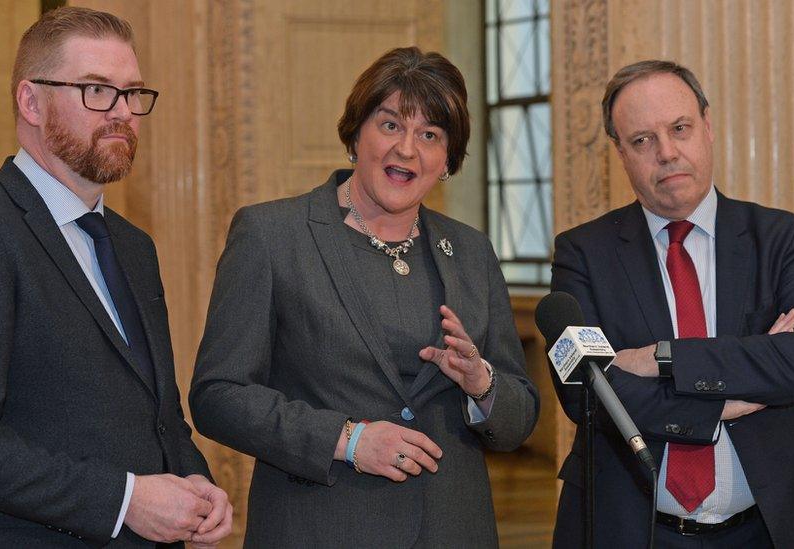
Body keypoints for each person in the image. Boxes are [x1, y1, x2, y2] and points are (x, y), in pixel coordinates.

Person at [0, 7, 232, 547]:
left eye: (133, 93)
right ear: (31, 101)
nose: (123, 111)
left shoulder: (133, 246)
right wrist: (124, 500)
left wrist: (193, 477)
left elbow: (156, 412)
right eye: (97, 90)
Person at [189, 46, 539, 548]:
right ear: (356, 134)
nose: (407, 149)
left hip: (453, 530)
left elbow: (518, 419)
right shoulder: (271, 235)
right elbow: (218, 397)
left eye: (430, 135)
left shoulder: (471, 251)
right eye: (391, 125)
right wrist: (347, 439)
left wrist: (481, 382)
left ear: (447, 162)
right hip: (318, 528)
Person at [550, 59, 794, 548]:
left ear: (707, 125)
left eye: (679, 128)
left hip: (765, 529)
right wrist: (725, 401)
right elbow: (586, 393)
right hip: (630, 529)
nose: (666, 152)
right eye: (642, 140)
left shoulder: (783, 238)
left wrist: (662, 357)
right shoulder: (583, 253)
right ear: (620, 152)